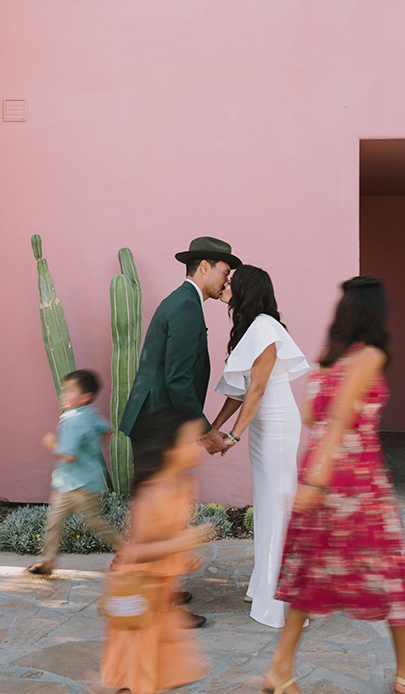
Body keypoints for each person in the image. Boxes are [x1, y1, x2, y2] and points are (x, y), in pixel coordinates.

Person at [260, 276, 405, 694]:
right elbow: (343, 418)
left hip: (319, 471)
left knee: (310, 574)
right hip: (354, 480)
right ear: (376, 313)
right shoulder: (370, 356)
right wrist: (322, 479)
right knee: (392, 574)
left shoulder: (328, 359)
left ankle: (280, 670)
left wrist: (313, 476)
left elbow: (312, 415)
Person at [119, 236, 242, 627]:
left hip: (157, 420)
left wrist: (230, 303)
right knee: (159, 517)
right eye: (225, 273)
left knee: (160, 511)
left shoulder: (184, 301)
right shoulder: (187, 307)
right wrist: (206, 433)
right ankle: (159, 602)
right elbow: (177, 378)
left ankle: (163, 591)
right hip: (159, 424)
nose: (227, 282)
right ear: (203, 266)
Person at [212, 265, 310, 628]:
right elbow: (239, 390)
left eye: (230, 281)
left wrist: (234, 436)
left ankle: (281, 598)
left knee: (277, 505)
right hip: (263, 425)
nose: (224, 284)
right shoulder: (253, 327)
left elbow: (257, 389)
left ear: (246, 289)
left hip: (277, 424)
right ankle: (264, 584)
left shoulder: (266, 327)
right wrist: (215, 426)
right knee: (268, 504)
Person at [98, 405, 211, 694]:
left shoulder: (184, 484)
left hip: (162, 597)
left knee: (158, 667)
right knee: (139, 668)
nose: (198, 446)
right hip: (140, 594)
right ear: (167, 448)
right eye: (191, 440)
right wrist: (183, 543)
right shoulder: (152, 493)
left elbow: (168, 535)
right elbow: (136, 553)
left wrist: (184, 555)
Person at [28, 370, 123, 576]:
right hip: (85, 481)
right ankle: (48, 562)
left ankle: (125, 549)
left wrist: (52, 444)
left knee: (65, 522)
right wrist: (93, 449)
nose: (65, 394)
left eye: (70, 391)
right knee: (85, 520)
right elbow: (108, 429)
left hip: (74, 485)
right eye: (65, 390)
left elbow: (67, 456)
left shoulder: (73, 421)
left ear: (85, 396)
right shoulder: (90, 414)